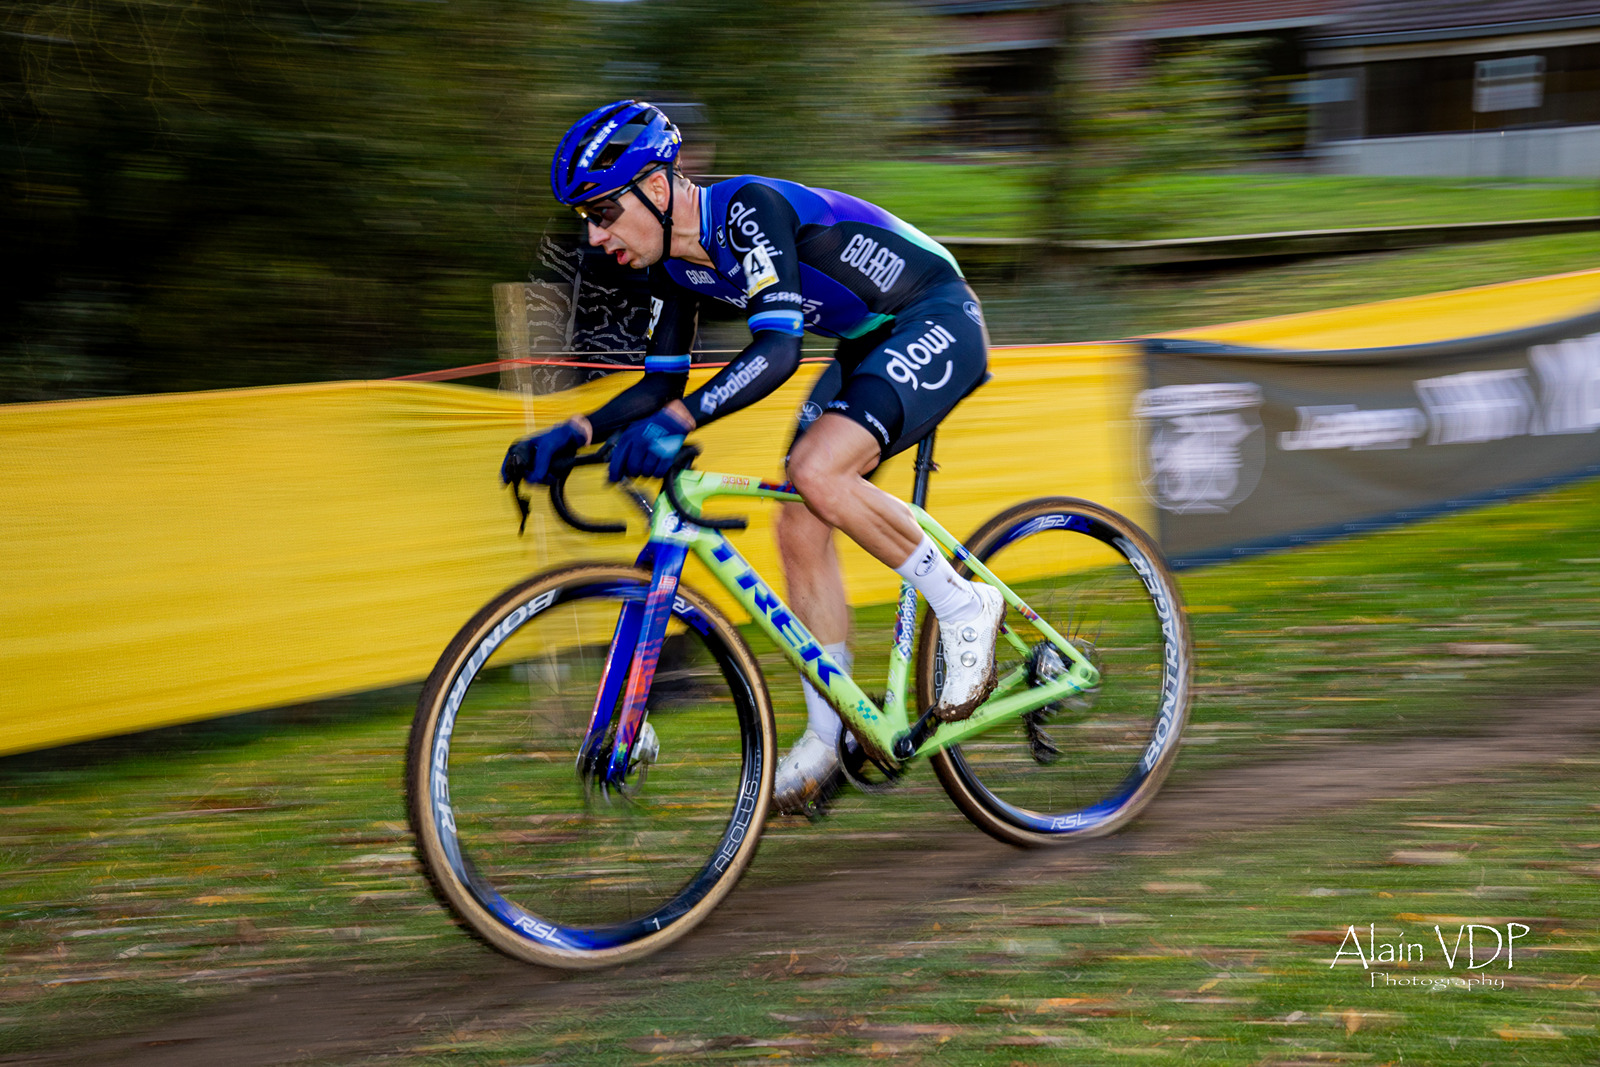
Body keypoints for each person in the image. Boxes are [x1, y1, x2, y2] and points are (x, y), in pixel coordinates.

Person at [502, 99, 1000, 815]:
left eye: (604, 211)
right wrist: (573, 433)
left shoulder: (746, 210)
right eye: (585, 217)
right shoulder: (672, 270)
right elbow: (659, 385)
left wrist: (677, 422)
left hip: (936, 314)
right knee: (799, 522)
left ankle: (963, 603)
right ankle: (830, 738)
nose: (594, 233)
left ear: (660, 185)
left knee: (816, 473)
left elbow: (778, 350)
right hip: (866, 342)